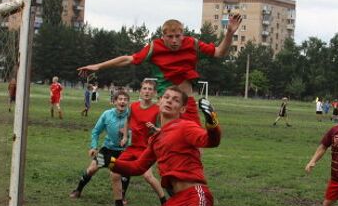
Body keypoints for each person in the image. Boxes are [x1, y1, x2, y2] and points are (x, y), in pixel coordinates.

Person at [78, 14, 243, 125]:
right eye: (170, 37)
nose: (174, 41)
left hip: (188, 103)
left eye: (178, 36)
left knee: (195, 147)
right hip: (167, 105)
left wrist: (229, 33)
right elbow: (128, 59)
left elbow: (219, 52)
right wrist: (98, 66)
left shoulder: (192, 44)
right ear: (162, 36)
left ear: (183, 35)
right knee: (168, 147)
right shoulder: (154, 48)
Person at [69, 90, 130, 206]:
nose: (122, 102)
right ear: (114, 101)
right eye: (120, 99)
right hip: (107, 150)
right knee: (91, 169)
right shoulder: (107, 114)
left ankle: (121, 197)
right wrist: (93, 147)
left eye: (125, 99)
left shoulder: (131, 115)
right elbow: (96, 132)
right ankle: (78, 190)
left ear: (128, 102)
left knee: (124, 173)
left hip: (125, 151)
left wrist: (128, 136)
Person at [116, 79, 167, 206]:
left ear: (154, 93)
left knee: (148, 176)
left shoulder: (158, 110)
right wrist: (125, 136)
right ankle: (119, 202)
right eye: (144, 88)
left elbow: (165, 130)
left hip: (147, 149)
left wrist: (155, 129)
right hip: (132, 147)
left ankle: (164, 201)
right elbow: (128, 120)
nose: (147, 91)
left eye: (150, 89)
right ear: (140, 91)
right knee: (116, 169)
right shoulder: (133, 106)